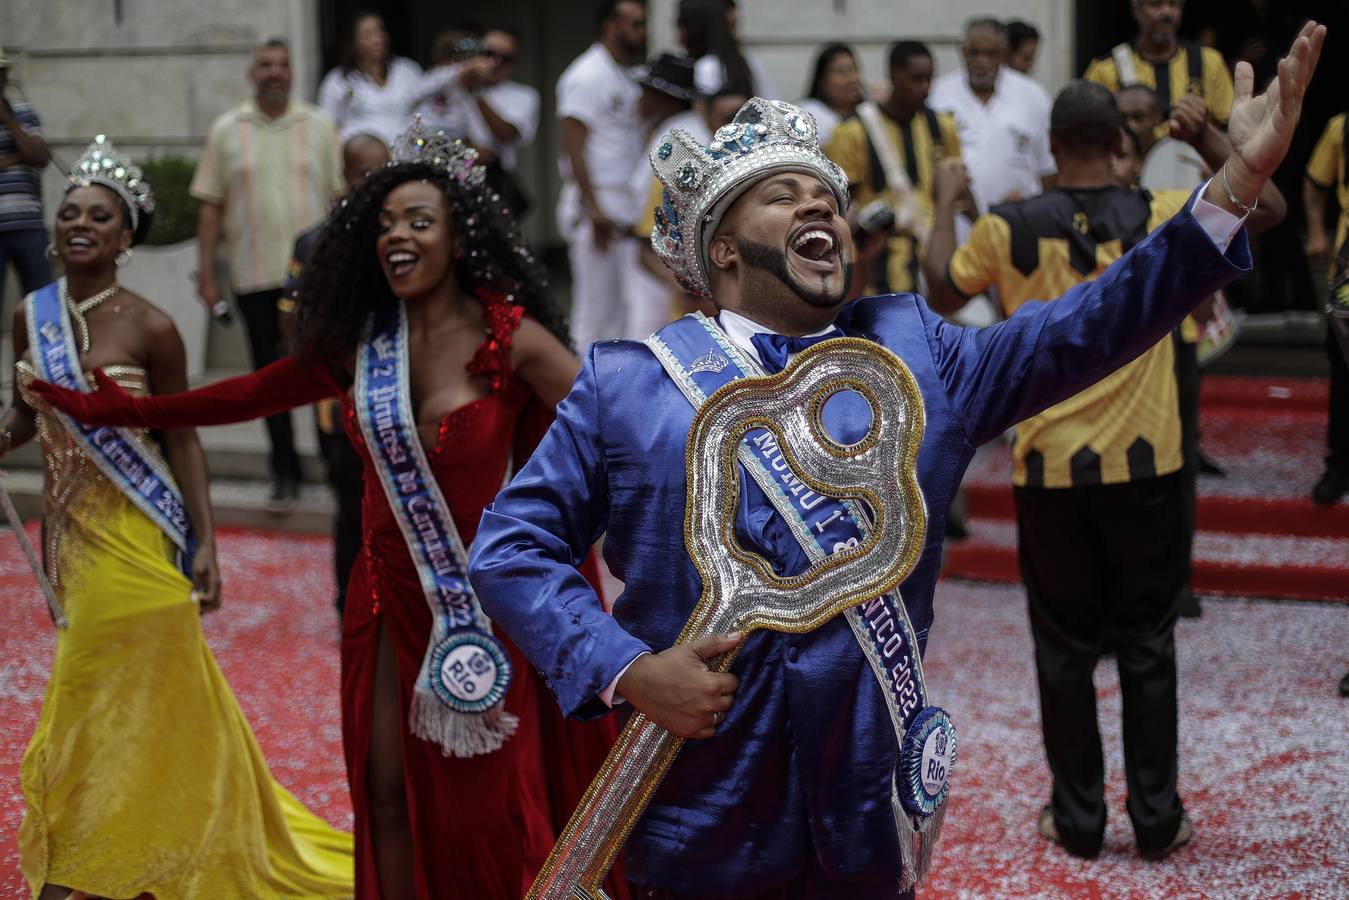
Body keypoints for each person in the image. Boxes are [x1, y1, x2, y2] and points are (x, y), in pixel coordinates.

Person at [467, 21, 1323, 896]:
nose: (820, 209)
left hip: (866, 812)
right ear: (720, 248)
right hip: (698, 807)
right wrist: (630, 670)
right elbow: (509, 550)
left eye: (827, 198)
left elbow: (1084, 326)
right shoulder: (628, 384)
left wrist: (1232, 185)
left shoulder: (915, 352)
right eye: (783, 195)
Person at [33, 121, 628, 900]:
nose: (397, 237)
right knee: (383, 790)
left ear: (460, 237)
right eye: (382, 225)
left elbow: (614, 433)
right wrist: (117, 411)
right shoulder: (360, 343)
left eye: (419, 221)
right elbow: (247, 394)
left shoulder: (510, 340)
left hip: (482, 603)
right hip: (382, 596)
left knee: (483, 805)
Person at [922, 80, 1285, 862]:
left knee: (1063, 653)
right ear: (1117, 146)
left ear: (1051, 147)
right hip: (1149, 464)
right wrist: (1219, 144)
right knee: (1148, 644)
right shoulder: (1160, 214)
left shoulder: (1003, 224)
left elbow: (939, 290)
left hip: (1050, 469)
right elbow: (1267, 211)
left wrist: (942, 199)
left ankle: (1077, 820)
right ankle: (1157, 820)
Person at [1, 135, 352, 899]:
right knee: (106, 688)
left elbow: (182, 437)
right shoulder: (31, 319)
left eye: (99, 215)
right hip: (70, 538)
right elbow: (24, 418)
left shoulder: (154, 326)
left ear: (126, 238)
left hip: (136, 532)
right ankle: (124, 835)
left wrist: (205, 544)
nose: (79, 224)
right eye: (69, 214)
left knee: (101, 683)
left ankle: (90, 856)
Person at [192, 38, 342, 512]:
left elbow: (341, 201)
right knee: (269, 377)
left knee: (325, 371)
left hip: (316, 277)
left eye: (282, 65)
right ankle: (284, 471)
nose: (275, 72)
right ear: (251, 73)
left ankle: (335, 466)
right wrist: (206, 274)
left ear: (293, 73)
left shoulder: (319, 125)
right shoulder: (225, 129)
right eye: (265, 65)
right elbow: (211, 207)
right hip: (253, 274)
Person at [281, 133, 390, 615]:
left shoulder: (411, 236)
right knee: (351, 507)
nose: (374, 184)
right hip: (341, 403)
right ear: (344, 178)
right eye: (364, 173)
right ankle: (350, 603)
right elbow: (291, 317)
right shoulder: (314, 241)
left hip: (402, 400)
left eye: (382, 172)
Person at [826, 41, 962, 295]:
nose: (924, 88)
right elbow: (838, 209)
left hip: (934, 267)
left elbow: (958, 192)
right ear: (893, 75)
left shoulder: (942, 126)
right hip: (879, 275)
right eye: (916, 79)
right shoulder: (852, 132)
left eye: (929, 79)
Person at [556, 0, 649, 349]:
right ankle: (580, 396)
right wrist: (593, 207)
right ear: (611, 26)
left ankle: (611, 393)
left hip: (622, 204)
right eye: (636, 24)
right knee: (593, 313)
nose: (643, 32)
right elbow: (573, 147)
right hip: (596, 203)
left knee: (622, 312)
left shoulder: (622, 73)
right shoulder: (586, 74)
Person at [930, 17, 1055, 214]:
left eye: (991, 54)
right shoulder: (938, 95)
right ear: (963, 52)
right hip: (956, 230)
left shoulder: (1034, 96)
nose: (982, 62)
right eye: (975, 53)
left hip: (1019, 226)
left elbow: (1048, 170)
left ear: (1004, 54)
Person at [415, 27, 541, 217]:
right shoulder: (449, 81)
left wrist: (474, 91)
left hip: (490, 184)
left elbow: (506, 134)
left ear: (515, 62)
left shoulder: (524, 95)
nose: (495, 62)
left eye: (505, 58)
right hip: (441, 178)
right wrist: (459, 75)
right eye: (488, 53)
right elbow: (416, 102)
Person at [1084, 0, 1234, 128]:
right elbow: (1088, 131)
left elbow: (1228, 128)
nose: (1167, 12)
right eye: (1155, 4)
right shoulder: (1106, 68)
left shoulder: (1209, 61)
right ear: (1136, 10)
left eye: (1174, 4)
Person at [1305, 111, 1349, 506]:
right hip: (1348, 275)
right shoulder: (1341, 126)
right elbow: (1315, 185)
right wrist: (1317, 230)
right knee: (1344, 372)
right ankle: (1340, 465)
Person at [318, 12, 425, 145]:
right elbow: (327, 127)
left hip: (408, 158)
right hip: (364, 161)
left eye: (380, 31)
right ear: (353, 42)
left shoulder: (408, 71)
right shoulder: (338, 81)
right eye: (367, 34)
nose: (377, 40)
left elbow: (426, 112)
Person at [0, 47, 51, 304]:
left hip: (29, 226)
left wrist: (8, 120)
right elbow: (29, 154)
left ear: (5, 75)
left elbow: (40, 156)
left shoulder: (24, 114)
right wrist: (18, 157)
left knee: (41, 303)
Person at [678, 0, 766, 99]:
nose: (736, 34)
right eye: (731, 26)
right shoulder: (683, 64)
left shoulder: (710, 66)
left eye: (733, 26)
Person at [800, 43, 865, 148]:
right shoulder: (808, 116)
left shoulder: (869, 112)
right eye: (841, 72)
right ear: (821, 81)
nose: (852, 79)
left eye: (853, 69)